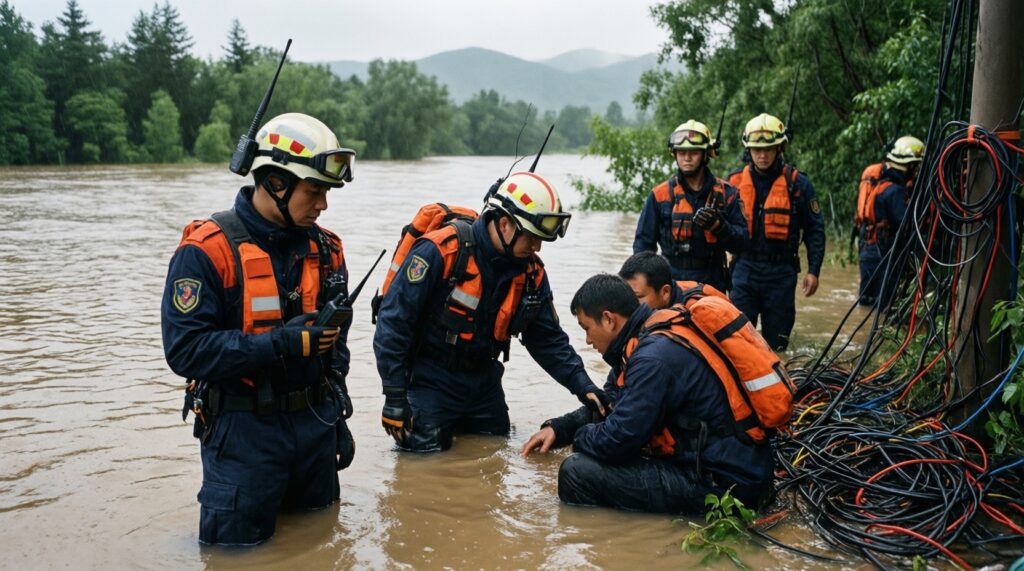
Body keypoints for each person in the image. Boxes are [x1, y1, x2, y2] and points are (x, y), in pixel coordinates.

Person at [161, 112, 357, 546]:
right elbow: (185, 350)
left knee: (319, 546)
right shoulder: (206, 252)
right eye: (315, 191)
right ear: (275, 183)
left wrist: (338, 416)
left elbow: (336, 348)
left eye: (327, 192)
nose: (323, 204)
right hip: (242, 435)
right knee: (235, 555)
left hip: (314, 427)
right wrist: (279, 343)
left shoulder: (327, 250)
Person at [373, 172, 609, 453]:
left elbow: (547, 339)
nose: (537, 247)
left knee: (496, 453)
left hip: (484, 383)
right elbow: (394, 324)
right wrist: (395, 397)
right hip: (430, 380)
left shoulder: (531, 273)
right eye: (532, 237)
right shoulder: (441, 252)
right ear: (505, 224)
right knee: (422, 461)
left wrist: (583, 385)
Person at [521, 274, 774, 514]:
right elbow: (610, 402)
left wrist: (578, 439)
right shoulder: (647, 336)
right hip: (738, 472)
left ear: (609, 319)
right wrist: (560, 429)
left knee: (576, 472)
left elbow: (617, 440)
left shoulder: (650, 358)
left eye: (586, 328)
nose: (587, 340)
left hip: (727, 488)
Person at [727, 113, 826, 351]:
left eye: (769, 149)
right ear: (748, 150)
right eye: (757, 149)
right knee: (739, 343)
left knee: (778, 345)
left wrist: (814, 270)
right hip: (744, 272)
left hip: (781, 274)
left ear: (779, 148)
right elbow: (719, 229)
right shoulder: (733, 182)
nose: (762, 155)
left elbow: (815, 230)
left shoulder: (798, 184)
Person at [633, 120, 748, 292]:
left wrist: (720, 227)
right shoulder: (659, 195)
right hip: (671, 283)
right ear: (674, 154)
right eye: (681, 152)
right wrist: (646, 285)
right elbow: (643, 245)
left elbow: (743, 244)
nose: (686, 158)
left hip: (712, 281)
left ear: (706, 154)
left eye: (693, 152)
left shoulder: (727, 194)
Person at [859, 136, 925, 304]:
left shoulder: (881, 183)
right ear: (909, 165)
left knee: (866, 302)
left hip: (868, 250)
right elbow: (905, 226)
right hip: (882, 256)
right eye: (916, 164)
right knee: (882, 308)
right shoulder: (895, 191)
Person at [617, 251, 726, 310]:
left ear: (665, 292)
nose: (630, 303)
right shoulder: (667, 292)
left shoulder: (693, 313)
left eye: (638, 297)